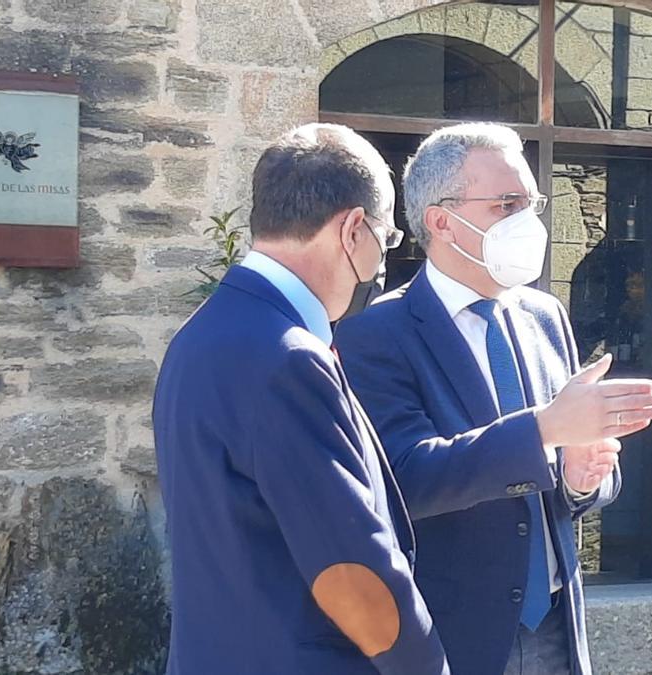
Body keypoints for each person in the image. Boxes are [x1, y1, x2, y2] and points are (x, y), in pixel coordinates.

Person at [334, 122, 652, 675]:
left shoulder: (544, 315)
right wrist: (545, 431)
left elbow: (563, 479)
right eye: (507, 203)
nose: (527, 220)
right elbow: (403, 479)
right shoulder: (376, 333)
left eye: (531, 201)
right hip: (456, 633)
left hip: (557, 623)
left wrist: (583, 477)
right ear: (442, 221)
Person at [153, 123, 449, 674]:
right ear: (352, 229)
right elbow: (352, 568)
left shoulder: (204, 333)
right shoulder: (289, 358)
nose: (383, 266)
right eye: (386, 241)